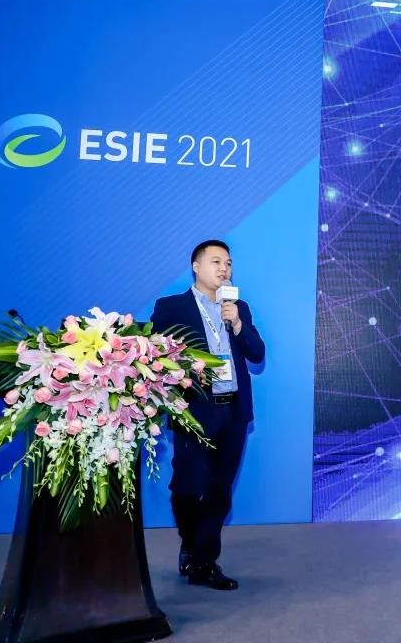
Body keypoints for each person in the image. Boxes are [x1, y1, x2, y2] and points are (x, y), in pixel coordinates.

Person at [151, 239, 265, 591]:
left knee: (219, 490)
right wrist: (184, 372)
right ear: (196, 267)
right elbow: (155, 357)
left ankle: (204, 562)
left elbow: (257, 353)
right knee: (187, 488)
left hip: (233, 410)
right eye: (216, 261)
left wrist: (238, 325)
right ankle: (191, 545)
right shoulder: (172, 307)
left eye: (228, 263)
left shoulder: (238, 308)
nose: (224, 268)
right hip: (194, 411)